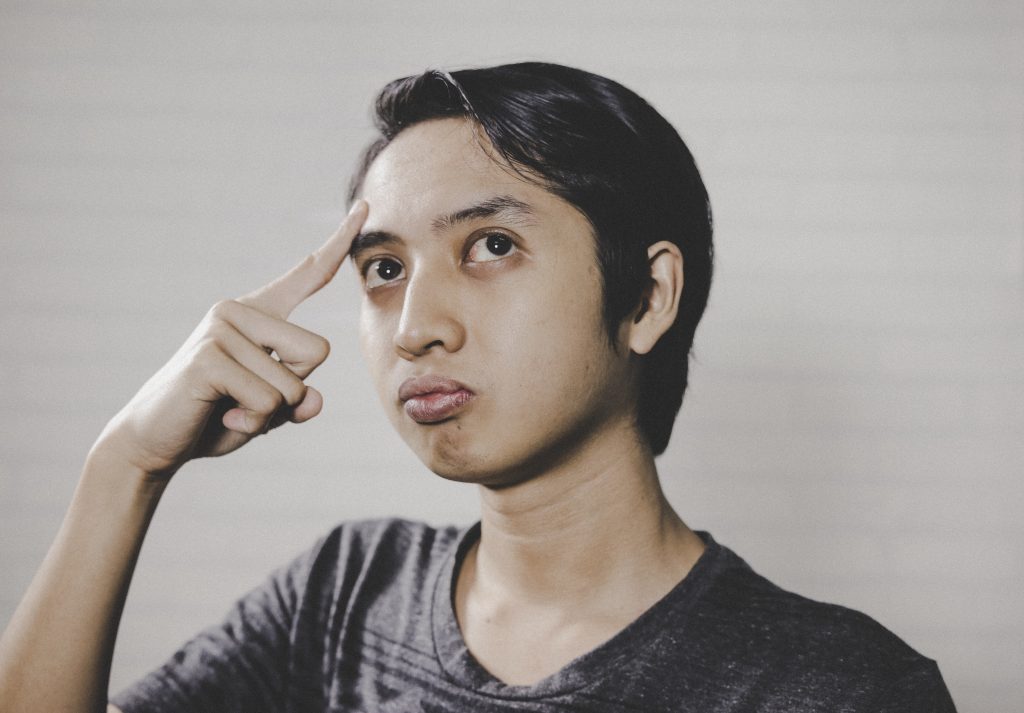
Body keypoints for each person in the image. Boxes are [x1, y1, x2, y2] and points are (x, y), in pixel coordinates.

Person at [0, 62, 956, 712]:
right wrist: (126, 465)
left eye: (491, 246)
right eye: (383, 269)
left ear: (648, 296)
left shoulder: (839, 686)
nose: (416, 325)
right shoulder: (344, 594)